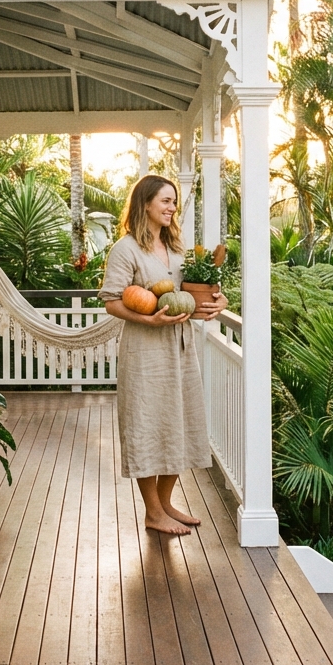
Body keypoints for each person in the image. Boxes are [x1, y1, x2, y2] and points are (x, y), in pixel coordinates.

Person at [98, 174, 228, 535]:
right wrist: (147, 319)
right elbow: (111, 301)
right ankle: (153, 512)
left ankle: (167, 502)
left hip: (181, 348)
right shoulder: (126, 249)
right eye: (166, 201)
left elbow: (192, 295)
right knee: (147, 426)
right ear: (145, 204)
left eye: (174, 202)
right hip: (145, 351)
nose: (172, 208)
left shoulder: (177, 250)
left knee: (181, 422)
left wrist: (218, 302)